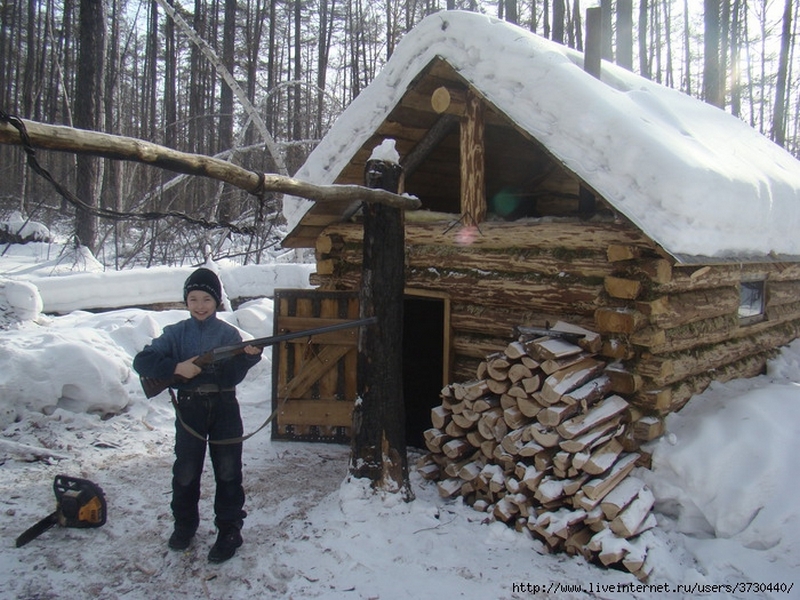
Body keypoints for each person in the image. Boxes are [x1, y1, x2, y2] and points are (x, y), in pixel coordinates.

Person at [133, 267, 262, 563]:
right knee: (186, 471)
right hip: (190, 408)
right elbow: (143, 361)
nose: (201, 305)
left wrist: (249, 357)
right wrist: (176, 369)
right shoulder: (176, 334)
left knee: (229, 472)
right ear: (186, 301)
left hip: (225, 407)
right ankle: (184, 525)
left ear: (217, 301)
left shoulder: (229, 334)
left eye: (207, 299)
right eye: (194, 299)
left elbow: (231, 376)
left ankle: (229, 530)